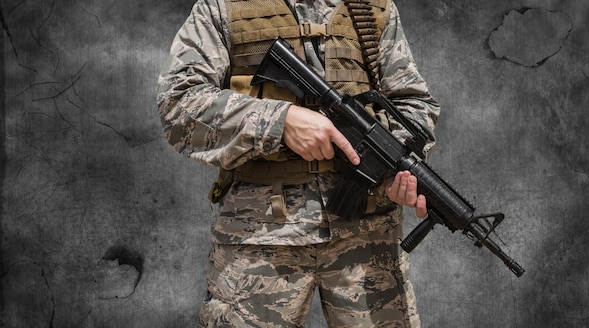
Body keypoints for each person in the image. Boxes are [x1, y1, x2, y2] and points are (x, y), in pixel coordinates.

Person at [157, 0, 440, 326]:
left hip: (368, 243)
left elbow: (413, 103)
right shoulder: (224, 6)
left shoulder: (371, 8)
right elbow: (178, 103)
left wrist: (391, 170)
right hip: (259, 240)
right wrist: (279, 121)